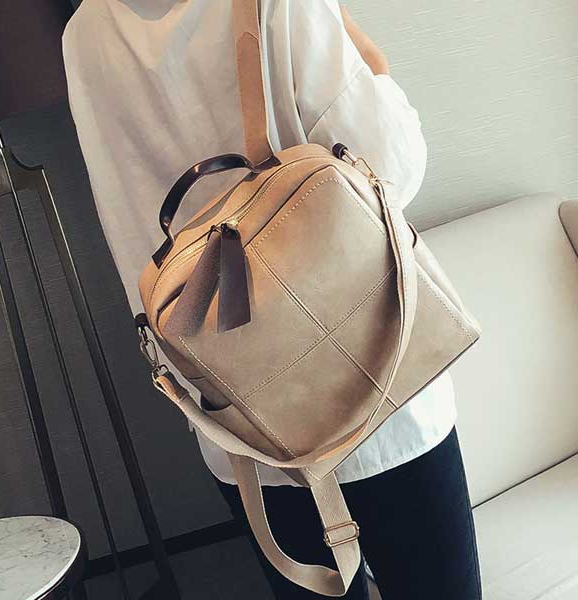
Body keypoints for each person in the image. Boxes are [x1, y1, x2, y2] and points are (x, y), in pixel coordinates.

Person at [62, 1, 482, 598]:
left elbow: (130, 231)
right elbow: (392, 169)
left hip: (244, 424)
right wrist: (374, 61)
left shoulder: (84, 35)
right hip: (379, 385)